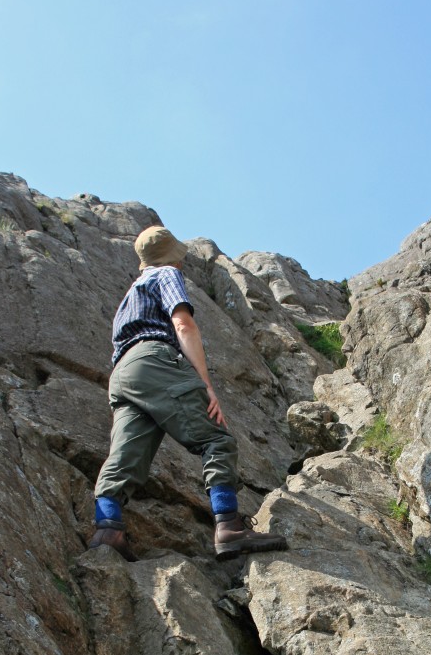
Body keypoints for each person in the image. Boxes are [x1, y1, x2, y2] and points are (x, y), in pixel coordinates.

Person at [89, 225, 288, 562]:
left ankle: (108, 529)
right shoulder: (165, 273)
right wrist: (205, 384)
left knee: (124, 457)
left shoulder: (129, 296)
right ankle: (229, 526)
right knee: (216, 438)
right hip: (154, 360)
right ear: (172, 257)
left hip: (123, 374)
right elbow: (183, 325)